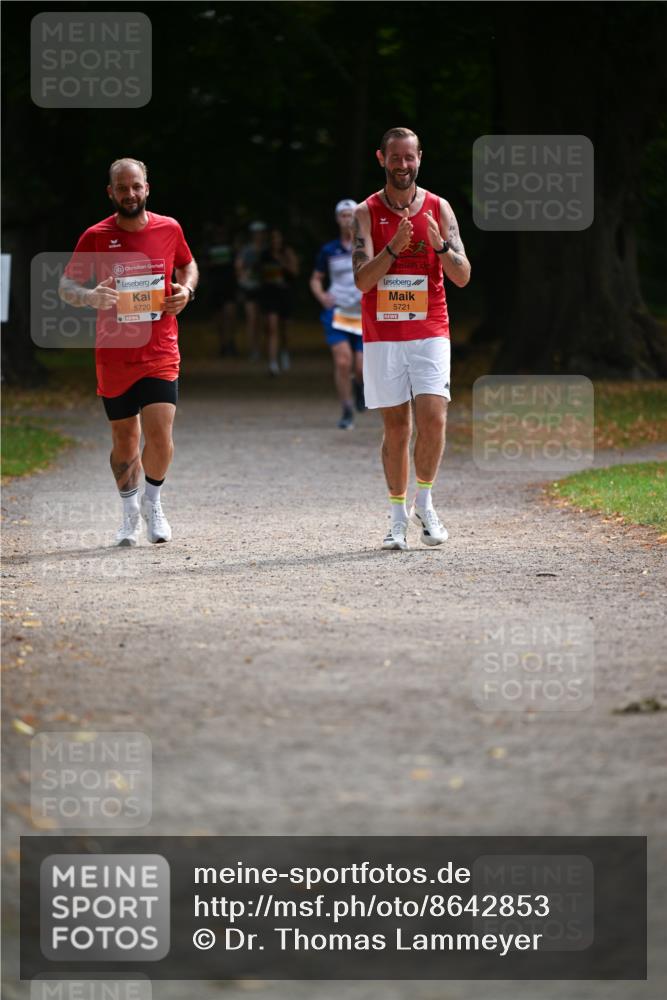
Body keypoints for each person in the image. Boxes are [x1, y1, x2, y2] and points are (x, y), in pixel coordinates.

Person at [59, 157, 198, 546]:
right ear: (111, 192)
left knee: (160, 435)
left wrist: (186, 291)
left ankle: (153, 503)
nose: (130, 194)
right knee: (124, 439)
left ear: (147, 188)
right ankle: (128, 513)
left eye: (136, 186)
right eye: (122, 188)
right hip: (114, 353)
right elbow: (66, 286)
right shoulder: (96, 236)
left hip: (159, 349)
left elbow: (188, 266)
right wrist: (89, 295)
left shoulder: (169, 228)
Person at [352, 127, 471, 550]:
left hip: (430, 328)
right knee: (397, 427)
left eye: (410, 157)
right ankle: (397, 516)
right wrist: (393, 250)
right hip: (383, 334)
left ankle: (426, 501)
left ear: (420, 158)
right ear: (381, 159)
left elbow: (462, 275)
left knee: (434, 418)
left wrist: (440, 249)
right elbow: (363, 281)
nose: (404, 166)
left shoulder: (439, 209)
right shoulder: (365, 213)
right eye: (396, 158)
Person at [310, 199, 365, 429]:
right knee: (343, 362)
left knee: (361, 367)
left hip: (362, 312)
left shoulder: (367, 246)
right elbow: (315, 278)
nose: (347, 219)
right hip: (338, 311)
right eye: (343, 215)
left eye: (351, 214)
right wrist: (322, 296)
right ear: (337, 219)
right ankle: (346, 409)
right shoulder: (329, 250)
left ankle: (360, 388)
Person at [258, 228, 299, 376]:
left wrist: (283, 263)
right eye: (273, 238)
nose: (276, 241)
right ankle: (272, 363)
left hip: (285, 294)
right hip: (270, 294)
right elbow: (259, 274)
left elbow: (295, 272)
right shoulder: (264, 255)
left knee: (285, 329)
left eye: (278, 238)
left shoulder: (287, 253)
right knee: (272, 327)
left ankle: (284, 351)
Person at [205, 222, 238, 356]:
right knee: (219, 319)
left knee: (230, 316)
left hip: (229, 287)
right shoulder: (209, 248)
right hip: (215, 287)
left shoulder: (231, 247)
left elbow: (236, 267)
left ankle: (231, 343)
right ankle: (223, 345)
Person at [236, 221, 267, 360]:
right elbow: (239, 266)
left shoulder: (267, 249)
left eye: (261, 232)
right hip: (249, 288)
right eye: (256, 233)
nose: (258, 235)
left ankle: (262, 347)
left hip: (265, 288)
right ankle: (253, 349)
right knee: (252, 319)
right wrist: (243, 279)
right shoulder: (247, 250)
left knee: (262, 320)